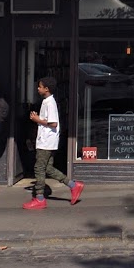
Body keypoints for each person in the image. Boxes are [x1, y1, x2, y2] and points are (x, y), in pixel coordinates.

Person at [24, 76, 84, 210]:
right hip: (47, 141)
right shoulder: (47, 101)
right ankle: (73, 186)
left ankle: (40, 198)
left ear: (47, 89)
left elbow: (53, 123)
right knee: (48, 168)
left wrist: (37, 119)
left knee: (39, 168)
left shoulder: (49, 103)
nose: (38, 88)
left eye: (40, 86)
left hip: (46, 141)